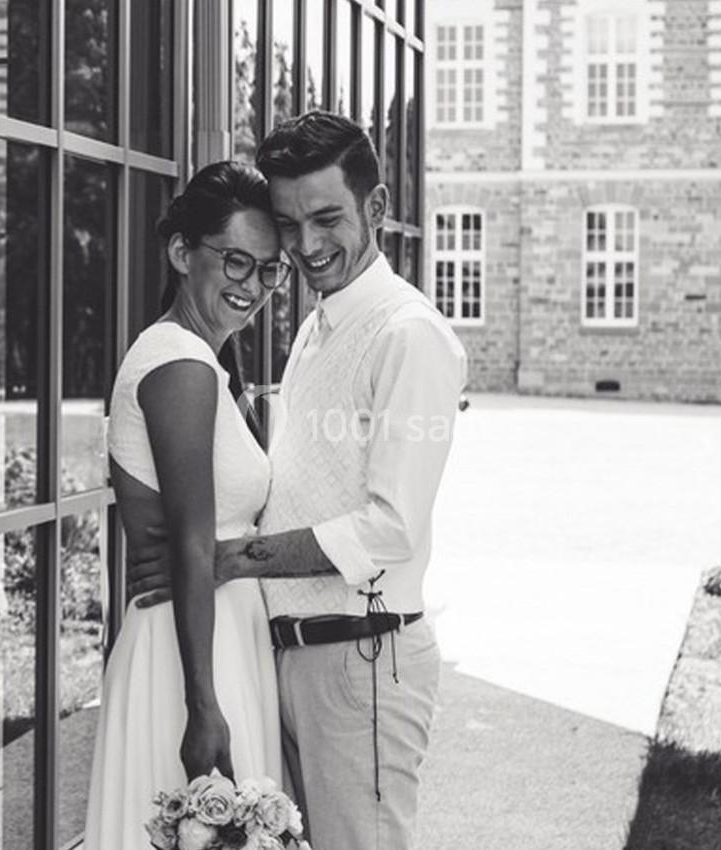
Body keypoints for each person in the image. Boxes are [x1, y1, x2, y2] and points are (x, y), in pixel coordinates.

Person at [129, 111, 468, 850]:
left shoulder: (407, 334)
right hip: (288, 659)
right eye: (289, 225)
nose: (308, 246)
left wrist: (231, 559)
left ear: (375, 210)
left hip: (361, 662)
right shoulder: (318, 327)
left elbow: (391, 527)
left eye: (327, 218)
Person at [84, 161, 292, 850]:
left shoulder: (198, 361)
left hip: (217, 641)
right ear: (181, 253)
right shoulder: (181, 365)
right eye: (235, 260)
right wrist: (204, 704)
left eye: (267, 269)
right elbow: (194, 543)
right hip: (191, 661)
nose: (252, 284)